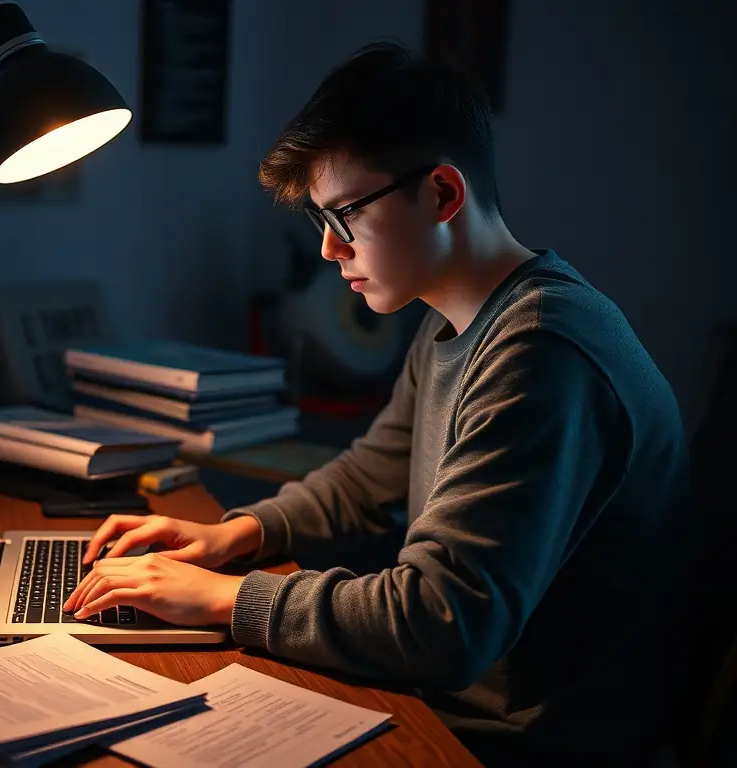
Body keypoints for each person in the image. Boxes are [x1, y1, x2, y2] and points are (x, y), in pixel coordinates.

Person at [63, 41, 690, 767]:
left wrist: (223, 600)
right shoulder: (454, 320)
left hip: (523, 744)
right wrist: (237, 536)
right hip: (453, 706)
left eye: (345, 216)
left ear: (443, 195)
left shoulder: (542, 352)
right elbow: (368, 477)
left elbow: (439, 623)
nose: (331, 251)